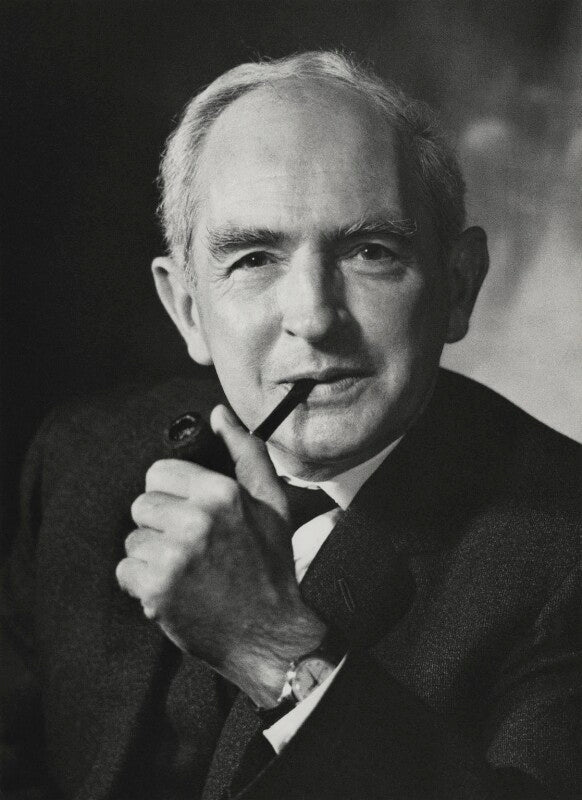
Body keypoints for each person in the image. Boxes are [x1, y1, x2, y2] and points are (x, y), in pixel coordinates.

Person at [1, 51, 580, 800]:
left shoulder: (563, 552)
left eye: (370, 252)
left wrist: (274, 649)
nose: (313, 317)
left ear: (459, 286)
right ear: (186, 310)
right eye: (253, 258)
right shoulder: (84, 457)